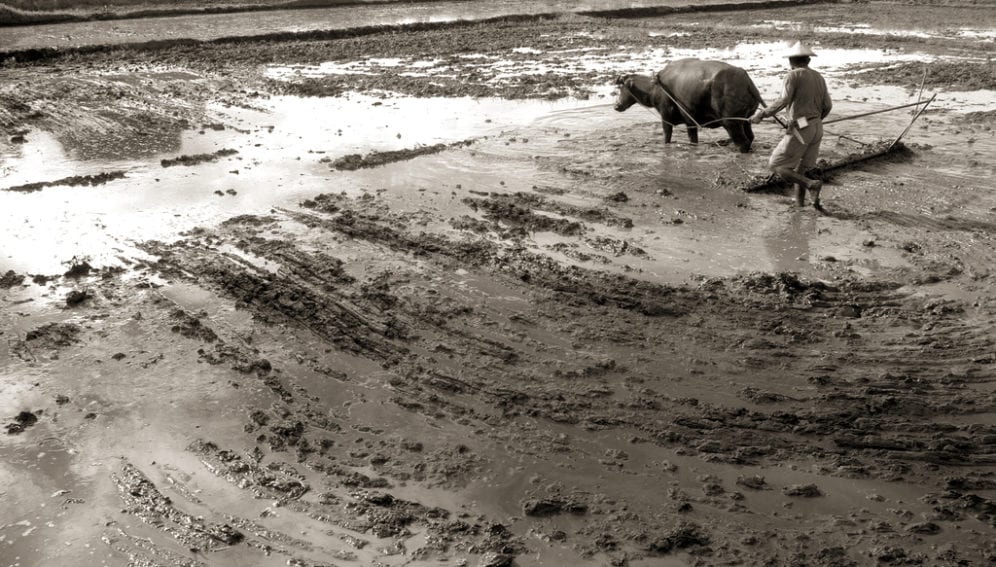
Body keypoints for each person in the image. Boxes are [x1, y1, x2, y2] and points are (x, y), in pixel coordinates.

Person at [751, 41, 833, 208]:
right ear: (808, 60)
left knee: (776, 165)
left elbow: (783, 100)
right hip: (817, 127)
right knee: (799, 172)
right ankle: (800, 207)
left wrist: (762, 114)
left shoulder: (792, 76)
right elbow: (828, 106)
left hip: (801, 129)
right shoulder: (819, 77)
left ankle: (812, 185)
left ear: (791, 61)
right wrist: (811, 122)